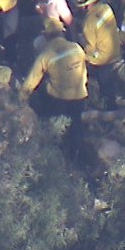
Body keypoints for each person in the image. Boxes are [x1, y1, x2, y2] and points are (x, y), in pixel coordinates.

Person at [19, 17, 89, 160]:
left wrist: (21, 99)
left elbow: (31, 81)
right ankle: (78, 155)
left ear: (46, 35)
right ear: (62, 32)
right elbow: (84, 72)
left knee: (58, 130)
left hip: (59, 98)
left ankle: (60, 156)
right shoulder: (76, 48)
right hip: (80, 95)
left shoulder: (45, 55)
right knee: (77, 127)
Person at [71, 0, 124, 110]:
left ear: (86, 6)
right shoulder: (106, 8)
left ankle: (93, 103)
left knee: (80, 69)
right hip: (115, 50)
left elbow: (90, 48)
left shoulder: (88, 23)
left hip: (102, 59)